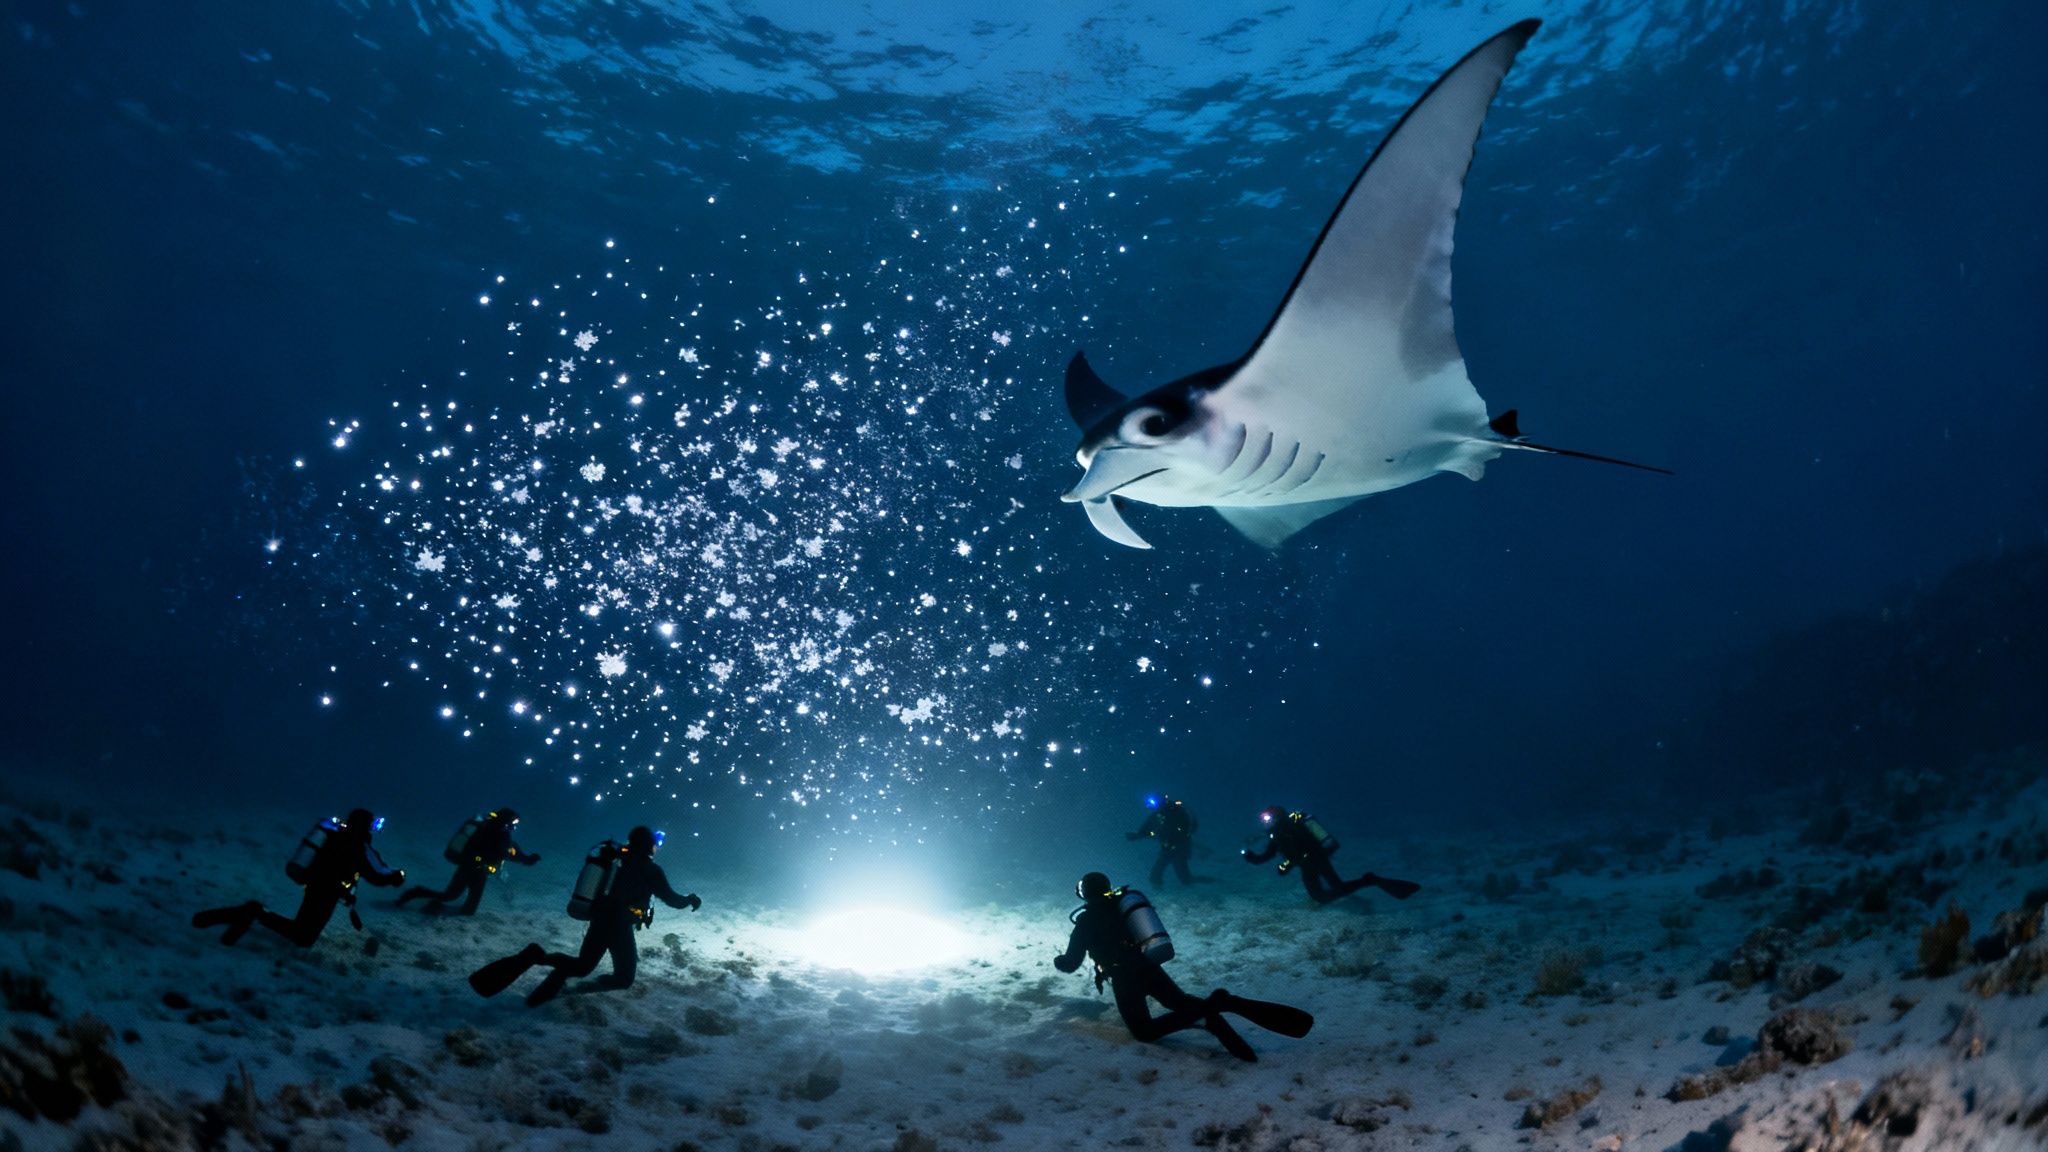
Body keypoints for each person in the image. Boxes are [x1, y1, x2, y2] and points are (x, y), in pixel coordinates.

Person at [1052, 872, 1312, 1062]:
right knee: (1180, 1003)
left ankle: (1217, 1003)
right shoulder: (1122, 906)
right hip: (1148, 965)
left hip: (1124, 976)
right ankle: (1216, 1009)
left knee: (1144, 1032)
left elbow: (1072, 962)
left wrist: (1060, 962)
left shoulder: (1085, 923)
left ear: (1085, 894)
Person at [468, 826, 700, 1007]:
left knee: (581, 966)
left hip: (600, 917)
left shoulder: (616, 860)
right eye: (655, 844)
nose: (657, 848)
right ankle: (566, 992)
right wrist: (689, 899)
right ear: (648, 846)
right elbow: (671, 899)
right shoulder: (650, 869)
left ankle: (538, 966)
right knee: (624, 977)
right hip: (618, 924)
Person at [191, 808, 405, 947]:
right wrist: (398, 876)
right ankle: (253, 912)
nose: (374, 829)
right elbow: (377, 874)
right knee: (303, 936)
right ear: (365, 826)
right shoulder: (359, 845)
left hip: (314, 884)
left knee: (303, 933)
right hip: (327, 890)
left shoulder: (336, 835)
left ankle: (248, 918)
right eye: (372, 825)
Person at [1242, 807, 1421, 905]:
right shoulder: (1277, 837)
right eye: (1263, 821)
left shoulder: (1292, 829)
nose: (1266, 824)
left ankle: (1371, 880)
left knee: (1324, 895)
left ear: (1278, 817)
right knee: (1333, 891)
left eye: (1268, 819)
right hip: (1312, 862)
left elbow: (1307, 848)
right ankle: (1370, 880)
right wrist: (1248, 855)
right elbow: (1264, 857)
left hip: (1316, 860)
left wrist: (1291, 863)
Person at [398, 808, 540, 915]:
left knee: (466, 906)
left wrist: (526, 858)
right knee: (451, 896)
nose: (514, 825)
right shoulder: (493, 832)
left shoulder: (500, 833)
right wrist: (524, 859)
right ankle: (415, 894)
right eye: (513, 822)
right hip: (470, 868)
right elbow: (505, 852)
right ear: (506, 820)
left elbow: (509, 850)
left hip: (479, 870)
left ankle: (430, 903)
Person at [1126, 794, 1200, 887]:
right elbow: (1147, 827)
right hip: (1168, 847)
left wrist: (1141, 834)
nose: (1151, 807)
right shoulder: (1158, 815)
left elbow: (1181, 828)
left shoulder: (1174, 811)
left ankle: (1200, 886)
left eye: (1153, 804)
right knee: (1157, 873)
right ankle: (1158, 889)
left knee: (1183, 875)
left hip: (1179, 846)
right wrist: (1138, 835)